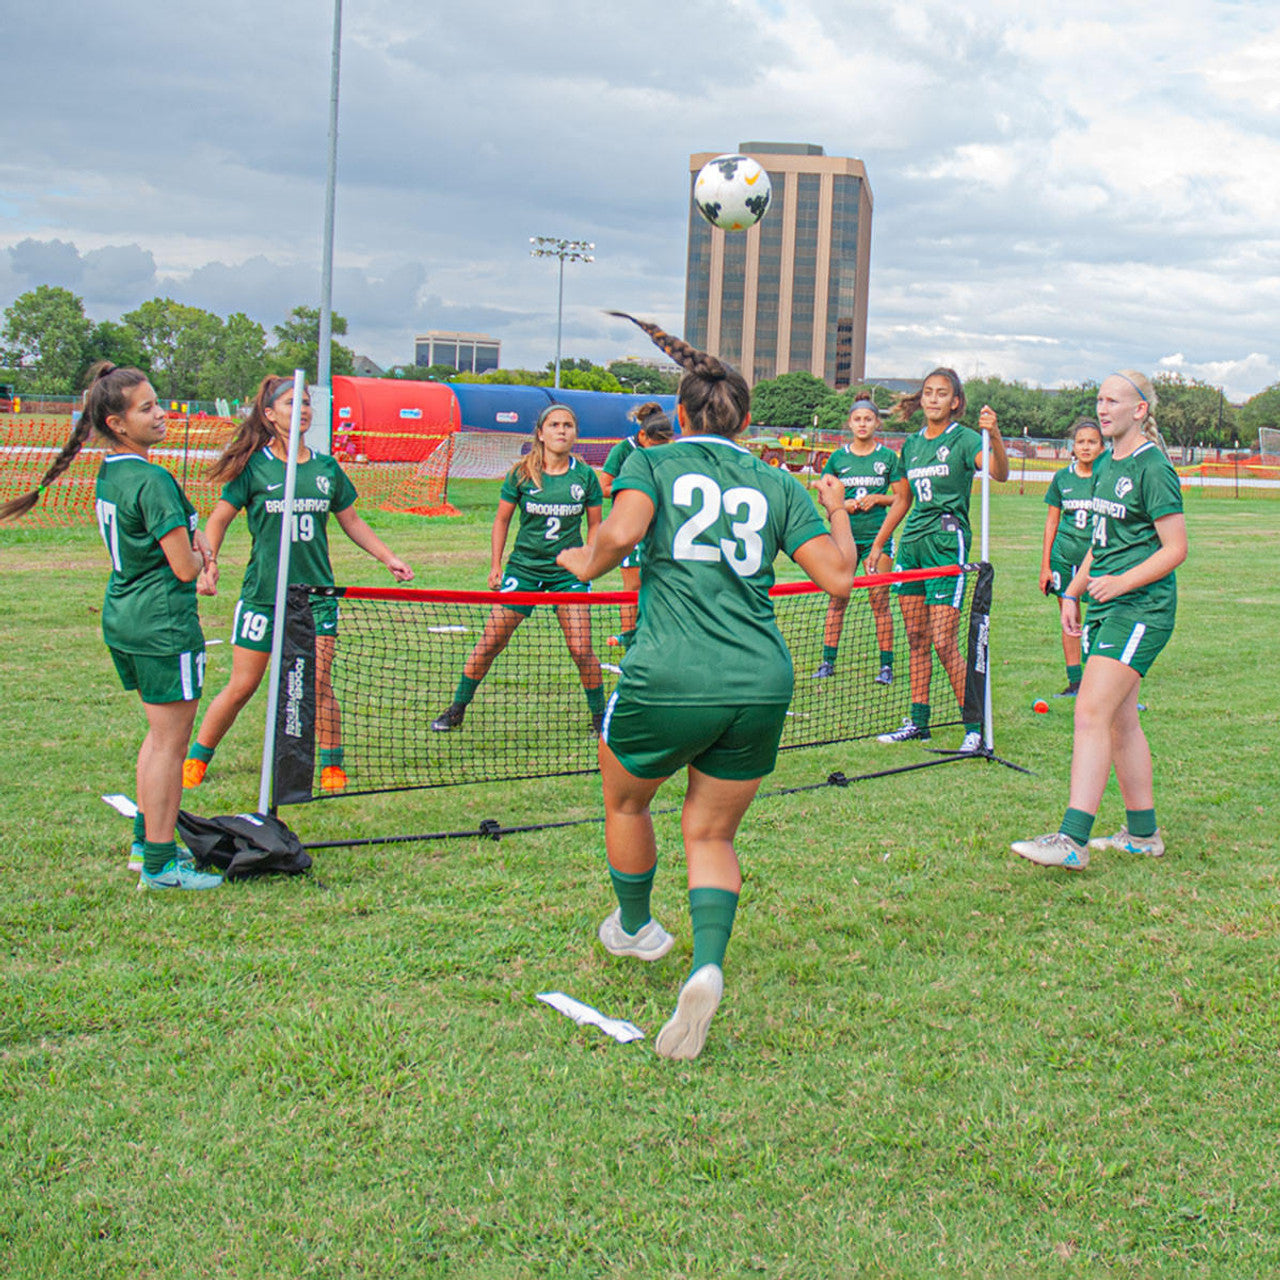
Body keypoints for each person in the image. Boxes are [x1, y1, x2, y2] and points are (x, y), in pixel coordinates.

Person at [558, 312, 856, 1061]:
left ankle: (634, 927)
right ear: (747, 421)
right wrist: (838, 511)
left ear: (681, 415)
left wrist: (583, 564)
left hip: (669, 669)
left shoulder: (651, 462)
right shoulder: (777, 480)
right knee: (713, 832)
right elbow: (839, 577)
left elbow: (622, 534)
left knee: (627, 799)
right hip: (760, 678)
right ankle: (707, 963)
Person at [0, 364, 222, 889]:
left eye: (157, 402)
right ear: (117, 423)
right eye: (146, 408)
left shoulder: (113, 471)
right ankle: (162, 866)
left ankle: (149, 843)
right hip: (161, 623)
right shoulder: (152, 478)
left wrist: (193, 540)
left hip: (125, 614)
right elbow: (185, 569)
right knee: (172, 744)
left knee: (158, 736)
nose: (161, 413)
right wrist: (199, 553)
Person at [183, 376, 413, 792]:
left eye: (306, 403)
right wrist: (209, 563)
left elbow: (352, 521)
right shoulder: (254, 468)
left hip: (316, 598)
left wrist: (388, 556)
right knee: (243, 685)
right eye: (292, 403)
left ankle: (331, 764)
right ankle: (198, 756)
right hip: (263, 596)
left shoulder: (326, 468)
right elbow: (218, 519)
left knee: (318, 684)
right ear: (270, 415)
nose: (302, 410)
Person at [1013, 372, 1185, 869]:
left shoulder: (1153, 467)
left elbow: (1176, 549)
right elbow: (1101, 541)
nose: (1102, 407)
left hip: (1141, 610)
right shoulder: (1108, 462)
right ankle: (1142, 833)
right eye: (1099, 399)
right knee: (1119, 720)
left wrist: (1122, 583)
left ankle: (1072, 841)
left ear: (1140, 411)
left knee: (1090, 711)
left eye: (1113, 400)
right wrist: (1073, 590)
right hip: (1107, 604)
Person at [431, 403, 606, 733]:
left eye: (568, 425)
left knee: (582, 649)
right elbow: (501, 519)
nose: (561, 430)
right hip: (524, 569)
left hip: (566, 573)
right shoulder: (521, 473)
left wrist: (588, 559)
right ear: (540, 433)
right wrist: (496, 565)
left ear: (575, 433)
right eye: (554, 424)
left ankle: (600, 718)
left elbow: (596, 525)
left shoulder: (585, 476)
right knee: (491, 642)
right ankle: (456, 708)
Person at [866, 369, 1008, 753]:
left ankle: (974, 726)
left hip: (947, 544)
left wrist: (993, 434)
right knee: (916, 638)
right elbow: (903, 500)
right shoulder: (911, 445)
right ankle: (919, 721)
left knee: (945, 641)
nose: (932, 399)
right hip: (912, 544)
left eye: (941, 394)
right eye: (927, 392)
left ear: (955, 402)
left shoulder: (964, 439)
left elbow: (999, 472)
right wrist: (880, 544)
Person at [812, 391, 908, 683]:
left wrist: (879, 498)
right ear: (849, 424)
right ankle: (827, 663)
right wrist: (842, 505)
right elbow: (823, 493)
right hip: (844, 541)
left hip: (878, 538)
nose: (863, 424)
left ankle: (886, 667)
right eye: (857, 419)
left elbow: (902, 498)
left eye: (868, 419)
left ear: (877, 423)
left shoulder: (888, 458)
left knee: (879, 601)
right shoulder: (839, 458)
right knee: (837, 599)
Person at [600, 401, 677, 649]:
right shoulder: (623, 451)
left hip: (660, 526)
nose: (659, 449)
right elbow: (603, 487)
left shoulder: (668, 452)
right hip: (630, 525)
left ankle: (657, 635)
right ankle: (629, 639)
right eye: (655, 444)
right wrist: (635, 493)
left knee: (663, 581)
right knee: (633, 586)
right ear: (643, 435)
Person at [1039, 418, 1105, 697]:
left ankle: (1099, 681)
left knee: (1100, 618)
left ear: (1102, 446)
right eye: (1081, 442)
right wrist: (1045, 566)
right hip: (1064, 557)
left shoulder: (1107, 477)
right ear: (1073, 447)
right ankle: (1075, 681)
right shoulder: (1062, 478)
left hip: (1099, 561)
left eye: (1092, 442)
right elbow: (1051, 522)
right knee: (1069, 617)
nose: (1086, 447)